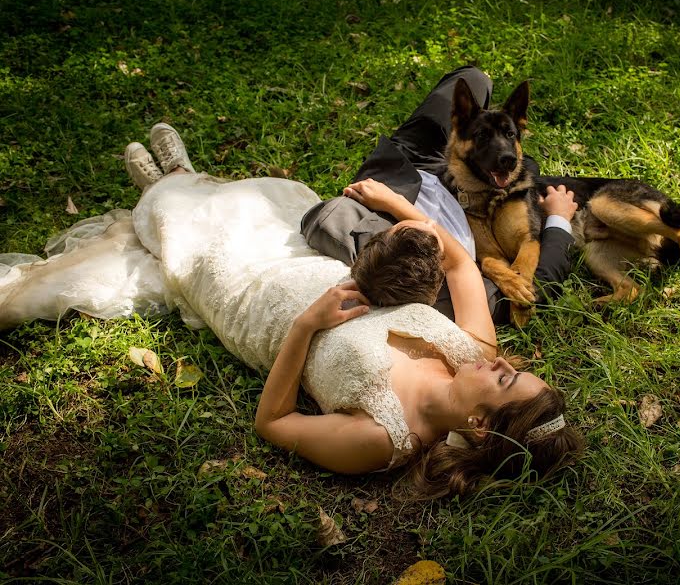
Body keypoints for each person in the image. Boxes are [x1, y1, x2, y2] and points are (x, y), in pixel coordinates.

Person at [0, 123, 583, 498]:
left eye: (504, 377)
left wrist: (308, 325)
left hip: (260, 313)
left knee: (188, 237)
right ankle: (181, 178)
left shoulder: (383, 441)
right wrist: (403, 210)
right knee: (253, 208)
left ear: (480, 425)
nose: (500, 360)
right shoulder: (472, 352)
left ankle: (165, 186)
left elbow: (273, 424)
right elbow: (460, 267)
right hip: (314, 269)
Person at [301, 66, 580, 323]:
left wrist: (395, 203)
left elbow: (324, 217)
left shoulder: (340, 221)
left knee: (474, 78)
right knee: (518, 160)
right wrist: (558, 219)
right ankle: (489, 142)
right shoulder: (475, 295)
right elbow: (543, 280)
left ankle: (476, 133)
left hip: (406, 168)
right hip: (451, 187)